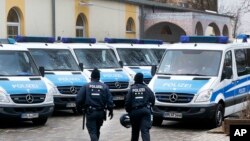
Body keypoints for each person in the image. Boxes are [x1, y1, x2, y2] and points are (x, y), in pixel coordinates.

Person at [76, 68, 114, 141]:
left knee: (92, 132)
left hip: (90, 112)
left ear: (91, 77)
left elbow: (78, 99)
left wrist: (79, 109)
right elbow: (110, 100)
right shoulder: (104, 87)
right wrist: (111, 110)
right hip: (101, 112)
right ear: (99, 77)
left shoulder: (86, 86)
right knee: (97, 130)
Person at [125, 73, 155, 141]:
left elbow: (127, 102)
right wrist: (150, 107)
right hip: (145, 111)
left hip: (134, 112)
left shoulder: (131, 89)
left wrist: (128, 111)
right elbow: (153, 99)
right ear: (142, 79)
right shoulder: (147, 88)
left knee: (135, 132)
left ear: (135, 79)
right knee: (145, 131)